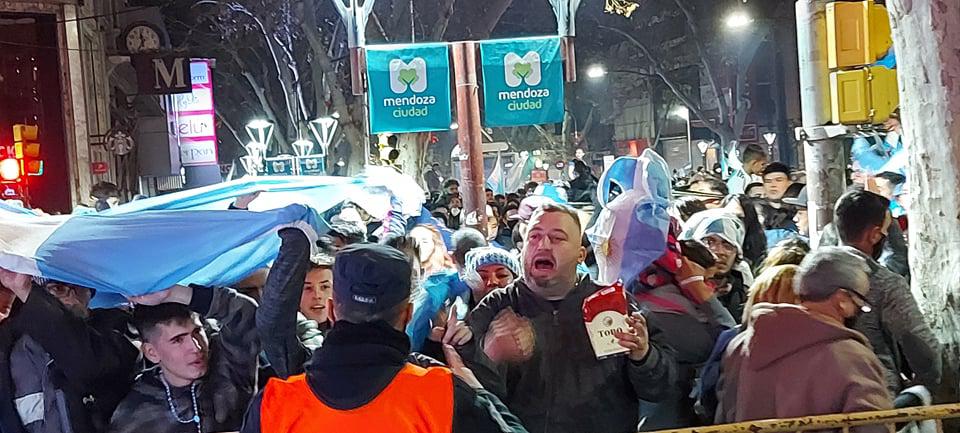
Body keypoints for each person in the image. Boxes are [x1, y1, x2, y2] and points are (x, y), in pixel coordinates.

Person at [242, 244, 528, 433]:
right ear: (407, 315)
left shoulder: (274, 403)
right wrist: (474, 385)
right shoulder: (443, 394)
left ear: (331, 310)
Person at [465, 203, 678, 433]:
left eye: (557, 238)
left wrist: (644, 357)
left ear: (580, 255)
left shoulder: (615, 304)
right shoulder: (495, 307)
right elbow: (465, 399)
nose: (543, 245)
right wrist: (489, 356)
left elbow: (660, 389)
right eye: (534, 236)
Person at [715, 247, 893, 432]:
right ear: (842, 299)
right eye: (860, 303)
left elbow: (725, 417)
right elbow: (874, 427)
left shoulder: (739, 346)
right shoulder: (853, 358)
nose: (858, 311)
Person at [108, 283, 259, 433]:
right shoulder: (136, 412)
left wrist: (174, 294)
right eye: (178, 340)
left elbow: (248, 314)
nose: (196, 347)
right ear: (152, 353)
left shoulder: (228, 364)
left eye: (197, 332)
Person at [0, 271, 139, 433]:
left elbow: (89, 365)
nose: (72, 299)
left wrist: (26, 291)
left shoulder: (116, 326)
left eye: (80, 289)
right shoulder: (10, 341)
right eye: (59, 288)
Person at [833, 189, 941, 393]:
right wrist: (922, 389)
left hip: (813, 399)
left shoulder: (807, 271)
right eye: (885, 230)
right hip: (874, 396)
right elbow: (922, 349)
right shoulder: (884, 282)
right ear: (874, 235)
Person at [680, 209, 755, 322]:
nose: (720, 251)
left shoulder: (743, 291)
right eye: (709, 242)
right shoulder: (673, 289)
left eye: (728, 245)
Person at [721, 195, 768, 267]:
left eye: (738, 217)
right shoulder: (710, 245)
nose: (732, 220)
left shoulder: (762, 253)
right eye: (727, 215)